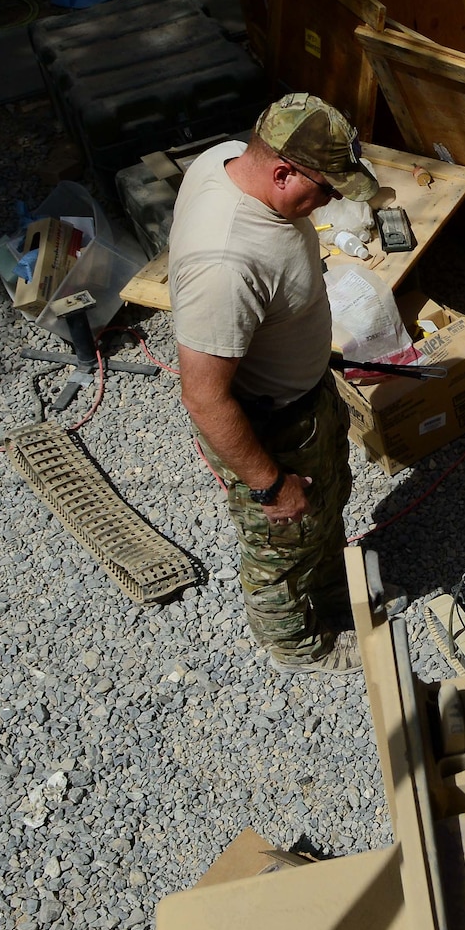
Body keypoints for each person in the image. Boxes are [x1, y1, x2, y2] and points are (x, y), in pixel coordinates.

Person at [171, 94, 379, 674]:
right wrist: (269, 485)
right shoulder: (225, 264)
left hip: (306, 397)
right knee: (282, 541)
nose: (334, 202)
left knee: (328, 500)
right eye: (328, 189)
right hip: (271, 424)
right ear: (283, 171)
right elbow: (204, 396)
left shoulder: (227, 158)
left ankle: (337, 588)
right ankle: (296, 645)